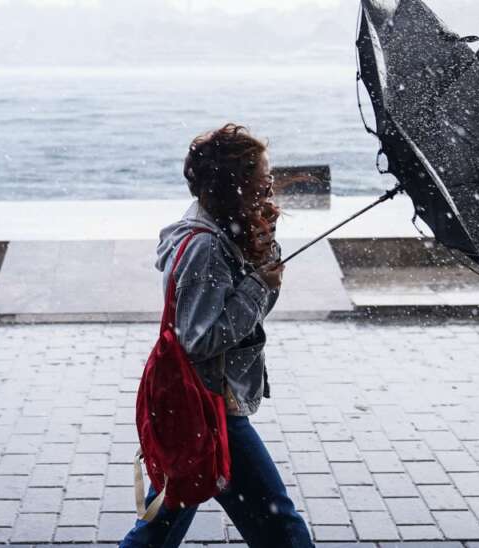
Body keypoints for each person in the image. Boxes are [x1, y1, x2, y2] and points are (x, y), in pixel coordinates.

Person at [119, 124, 314, 547]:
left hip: (199, 403)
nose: (270, 186)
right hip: (210, 406)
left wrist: (264, 261)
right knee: (281, 528)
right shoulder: (207, 247)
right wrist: (259, 284)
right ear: (237, 184)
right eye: (262, 178)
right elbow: (201, 338)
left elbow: (246, 319)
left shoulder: (223, 229)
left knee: (161, 525)